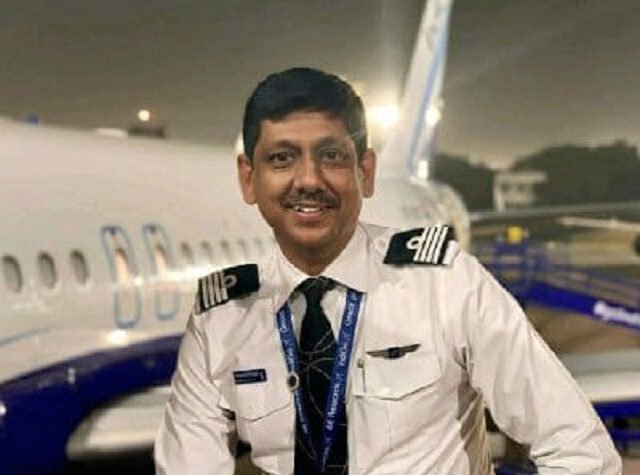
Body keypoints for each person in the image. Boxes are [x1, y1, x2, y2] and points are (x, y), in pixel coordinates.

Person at [155, 67, 621, 474]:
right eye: (282, 158)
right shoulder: (221, 318)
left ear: (366, 172)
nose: (309, 180)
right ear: (248, 178)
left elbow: (581, 451)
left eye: (331, 156)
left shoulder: (447, 284)